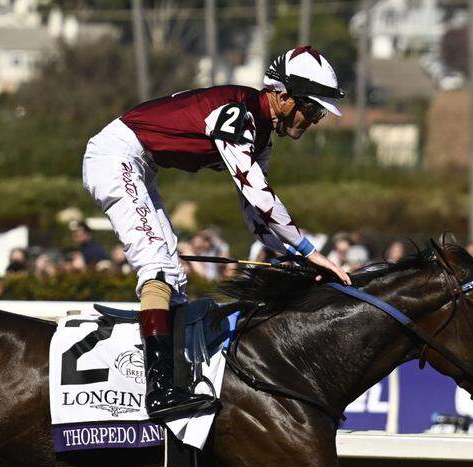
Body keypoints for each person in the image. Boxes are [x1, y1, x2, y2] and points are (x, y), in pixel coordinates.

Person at [82, 45, 350, 420]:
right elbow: (259, 194)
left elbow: (256, 218)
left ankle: (172, 380)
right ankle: (159, 392)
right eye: (313, 108)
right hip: (115, 157)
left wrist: (294, 260)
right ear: (285, 96)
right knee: (158, 267)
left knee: (173, 277)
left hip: (139, 164)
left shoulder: (261, 137)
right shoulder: (240, 115)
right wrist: (308, 250)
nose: (316, 118)